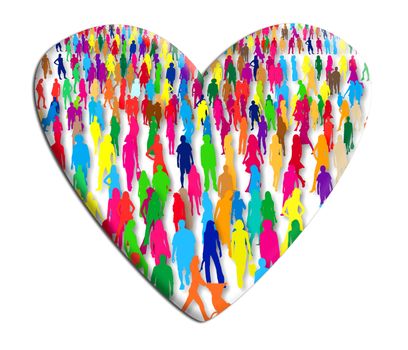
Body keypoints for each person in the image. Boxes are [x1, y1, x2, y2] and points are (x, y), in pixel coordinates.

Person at [172, 220, 196, 290]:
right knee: (187, 267)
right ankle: (185, 278)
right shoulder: (189, 233)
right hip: (187, 254)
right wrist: (192, 253)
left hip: (180, 254)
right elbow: (192, 244)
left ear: (179, 225)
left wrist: (173, 256)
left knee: (180, 270)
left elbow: (174, 246)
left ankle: (182, 283)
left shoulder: (177, 235)